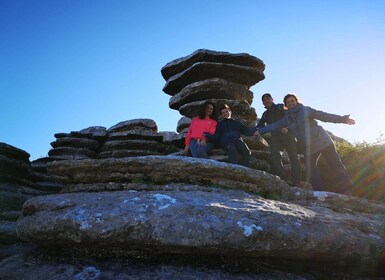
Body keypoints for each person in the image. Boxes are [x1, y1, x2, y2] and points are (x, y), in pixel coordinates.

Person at [255, 94, 355, 195]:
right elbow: (274, 125)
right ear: (286, 105)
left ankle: (347, 190)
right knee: (310, 170)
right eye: (288, 102)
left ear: (297, 101)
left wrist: (342, 119)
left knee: (335, 165)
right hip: (309, 147)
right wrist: (261, 130)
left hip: (323, 141)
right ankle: (320, 193)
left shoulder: (305, 110)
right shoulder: (287, 118)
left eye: (292, 101)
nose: (290, 103)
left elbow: (324, 116)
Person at [257, 93, 301, 186]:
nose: (266, 101)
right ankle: (283, 181)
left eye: (268, 98)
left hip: (288, 135)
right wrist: (249, 131)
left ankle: (296, 182)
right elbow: (259, 127)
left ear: (272, 99)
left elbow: (292, 117)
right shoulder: (265, 114)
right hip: (275, 137)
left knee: (293, 157)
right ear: (263, 103)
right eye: (264, 100)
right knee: (275, 156)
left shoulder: (281, 107)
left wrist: (287, 128)